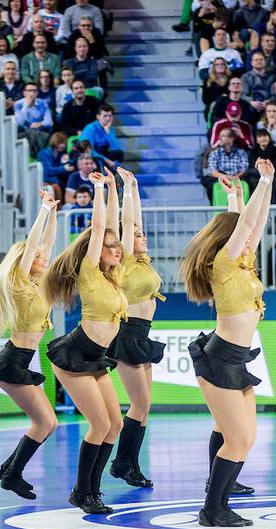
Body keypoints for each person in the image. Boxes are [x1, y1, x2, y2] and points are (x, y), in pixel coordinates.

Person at [181, 161, 274, 527]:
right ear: (229, 240)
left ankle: (219, 493)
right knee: (237, 438)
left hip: (236, 360)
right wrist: (261, 180)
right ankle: (213, 508)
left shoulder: (242, 264)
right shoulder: (223, 262)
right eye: (240, 237)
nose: (249, 241)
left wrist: (248, 193)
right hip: (220, 358)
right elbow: (246, 225)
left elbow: (254, 223)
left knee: (242, 437)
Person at [43, 168, 125, 514]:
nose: (116, 249)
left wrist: (119, 189)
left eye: (117, 245)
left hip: (96, 358)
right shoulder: (90, 271)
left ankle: (91, 489)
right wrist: (100, 192)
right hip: (75, 355)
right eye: (109, 247)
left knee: (115, 424)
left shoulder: (114, 276)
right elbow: (101, 229)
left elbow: (115, 226)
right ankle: (82, 491)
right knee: (100, 424)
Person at [0, 191, 59, 498]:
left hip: (21, 361)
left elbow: (47, 244)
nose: (43, 259)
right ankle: (12, 474)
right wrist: (41, 209)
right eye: (37, 258)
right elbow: (32, 245)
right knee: (45, 423)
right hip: (12, 362)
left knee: (48, 423)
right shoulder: (17, 286)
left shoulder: (40, 284)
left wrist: (54, 211)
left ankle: (8, 468)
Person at [105, 169, 165, 488]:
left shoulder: (144, 262)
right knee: (139, 404)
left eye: (142, 234)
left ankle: (128, 464)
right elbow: (128, 223)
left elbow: (136, 221)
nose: (142, 236)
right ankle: (121, 463)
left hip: (143, 335)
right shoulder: (125, 260)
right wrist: (126, 189)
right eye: (137, 235)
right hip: (127, 334)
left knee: (145, 406)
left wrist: (136, 188)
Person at [203, 127, 249, 200]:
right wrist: (228, 178)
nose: (219, 138)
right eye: (220, 136)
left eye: (223, 136)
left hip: (238, 177)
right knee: (209, 183)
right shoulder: (215, 153)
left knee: (250, 181)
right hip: (220, 177)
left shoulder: (241, 153)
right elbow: (212, 171)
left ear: (231, 139)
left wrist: (235, 177)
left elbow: (244, 169)